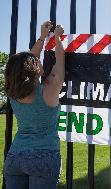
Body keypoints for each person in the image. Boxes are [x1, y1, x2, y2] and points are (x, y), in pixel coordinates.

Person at [3, 21, 65, 189]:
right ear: (34, 68)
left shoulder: (13, 93)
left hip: (15, 157)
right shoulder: (48, 91)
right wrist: (57, 38)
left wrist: (43, 37)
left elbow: (26, 62)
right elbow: (60, 63)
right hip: (44, 157)